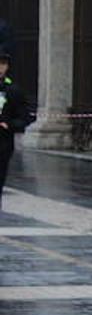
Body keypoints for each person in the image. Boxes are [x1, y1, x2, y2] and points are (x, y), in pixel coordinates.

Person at [0, 50, 35, 208]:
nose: (0, 67)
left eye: (3, 64)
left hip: (2, 143)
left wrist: (10, 125)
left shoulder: (13, 90)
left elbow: (24, 116)